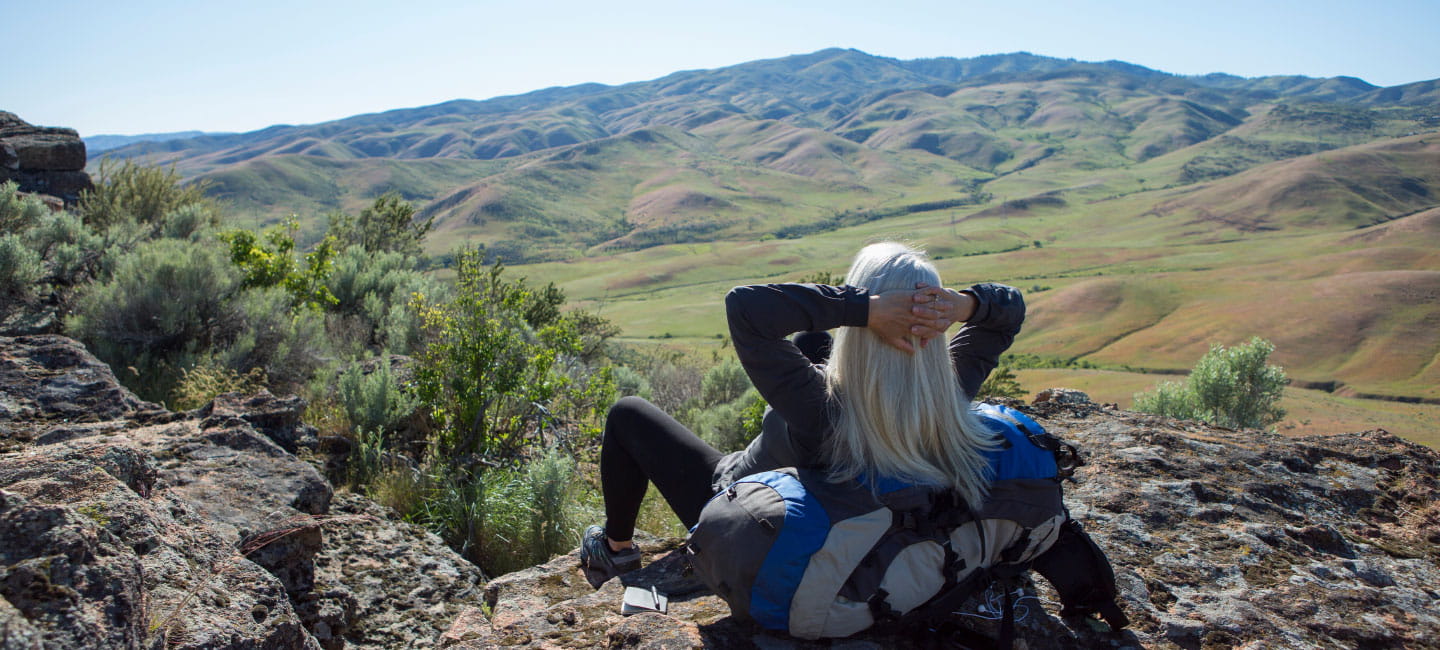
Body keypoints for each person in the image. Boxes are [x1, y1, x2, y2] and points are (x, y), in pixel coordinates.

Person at [579, 241, 1026, 588]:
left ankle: (615, 548)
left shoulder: (822, 406)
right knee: (812, 344)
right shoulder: (951, 388)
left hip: (742, 502)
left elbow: (746, 307)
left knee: (627, 413)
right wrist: (964, 305)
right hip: (851, 471)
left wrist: (864, 310)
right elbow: (1010, 310)